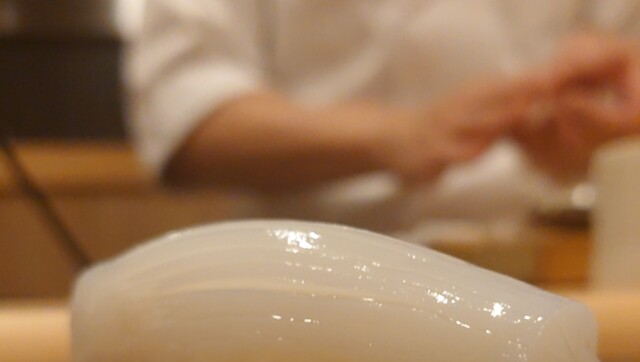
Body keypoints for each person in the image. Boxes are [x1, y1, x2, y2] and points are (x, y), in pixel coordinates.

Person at [126, 1, 640, 234]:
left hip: (553, 259)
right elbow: (185, 117)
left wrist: (611, 110)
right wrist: (400, 137)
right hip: (310, 267)